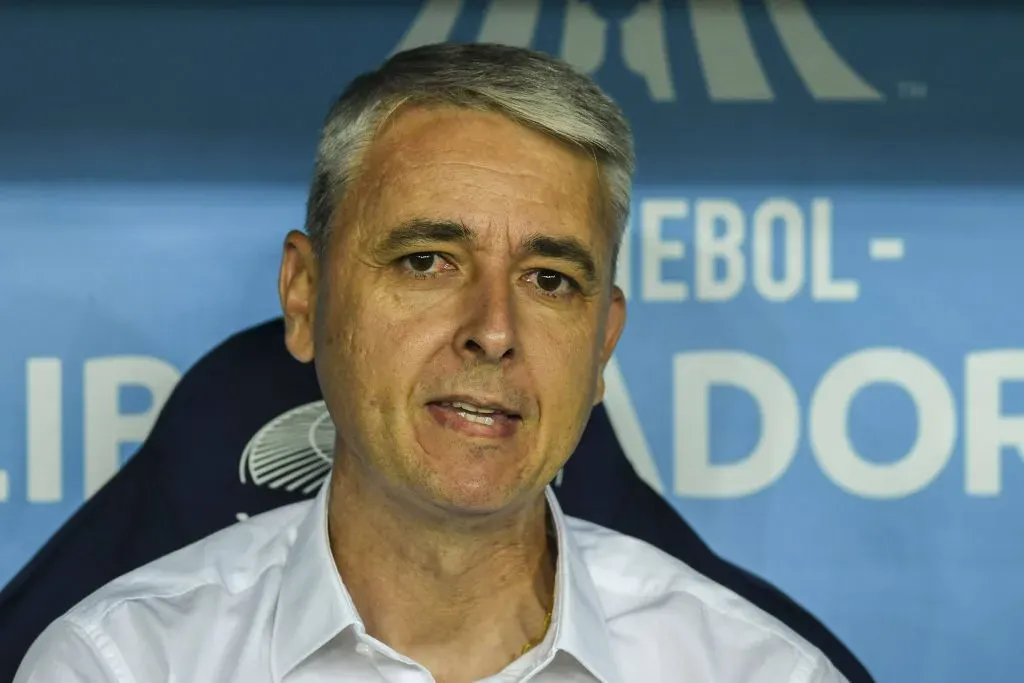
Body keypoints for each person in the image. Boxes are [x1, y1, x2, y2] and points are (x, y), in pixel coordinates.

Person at [14, 43, 847, 683]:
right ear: (304, 297)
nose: (493, 330)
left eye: (549, 279)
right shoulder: (122, 663)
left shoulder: (759, 670)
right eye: (426, 261)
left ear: (602, 344)